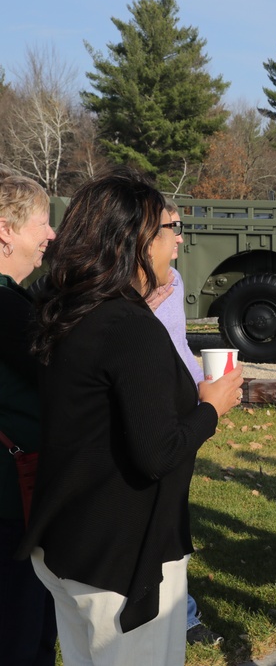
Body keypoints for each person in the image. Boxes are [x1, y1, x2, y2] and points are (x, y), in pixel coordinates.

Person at [18, 167, 244, 665]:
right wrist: (211, 406)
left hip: (69, 545)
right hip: (122, 562)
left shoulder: (68, 310)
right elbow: (157, 451)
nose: (178, 243)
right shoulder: (127, 326)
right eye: (169, 229)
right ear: (133, 240)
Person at [148, 199, 224, 647]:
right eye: (173, 227)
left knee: (174, 514)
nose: (181, 238)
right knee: (158, 513)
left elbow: (177, 342)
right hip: (152, 412)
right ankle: (172, 612)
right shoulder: (117, 293)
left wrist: (204, 383)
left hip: (186, 405)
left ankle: (181, 611)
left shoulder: (172, 281)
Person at [0, 168, 58, 665]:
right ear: (6, 231)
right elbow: (66, 378)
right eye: (42, 222)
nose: (51, 234)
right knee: (21, 634)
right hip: (11, 503)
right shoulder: (5, 307)